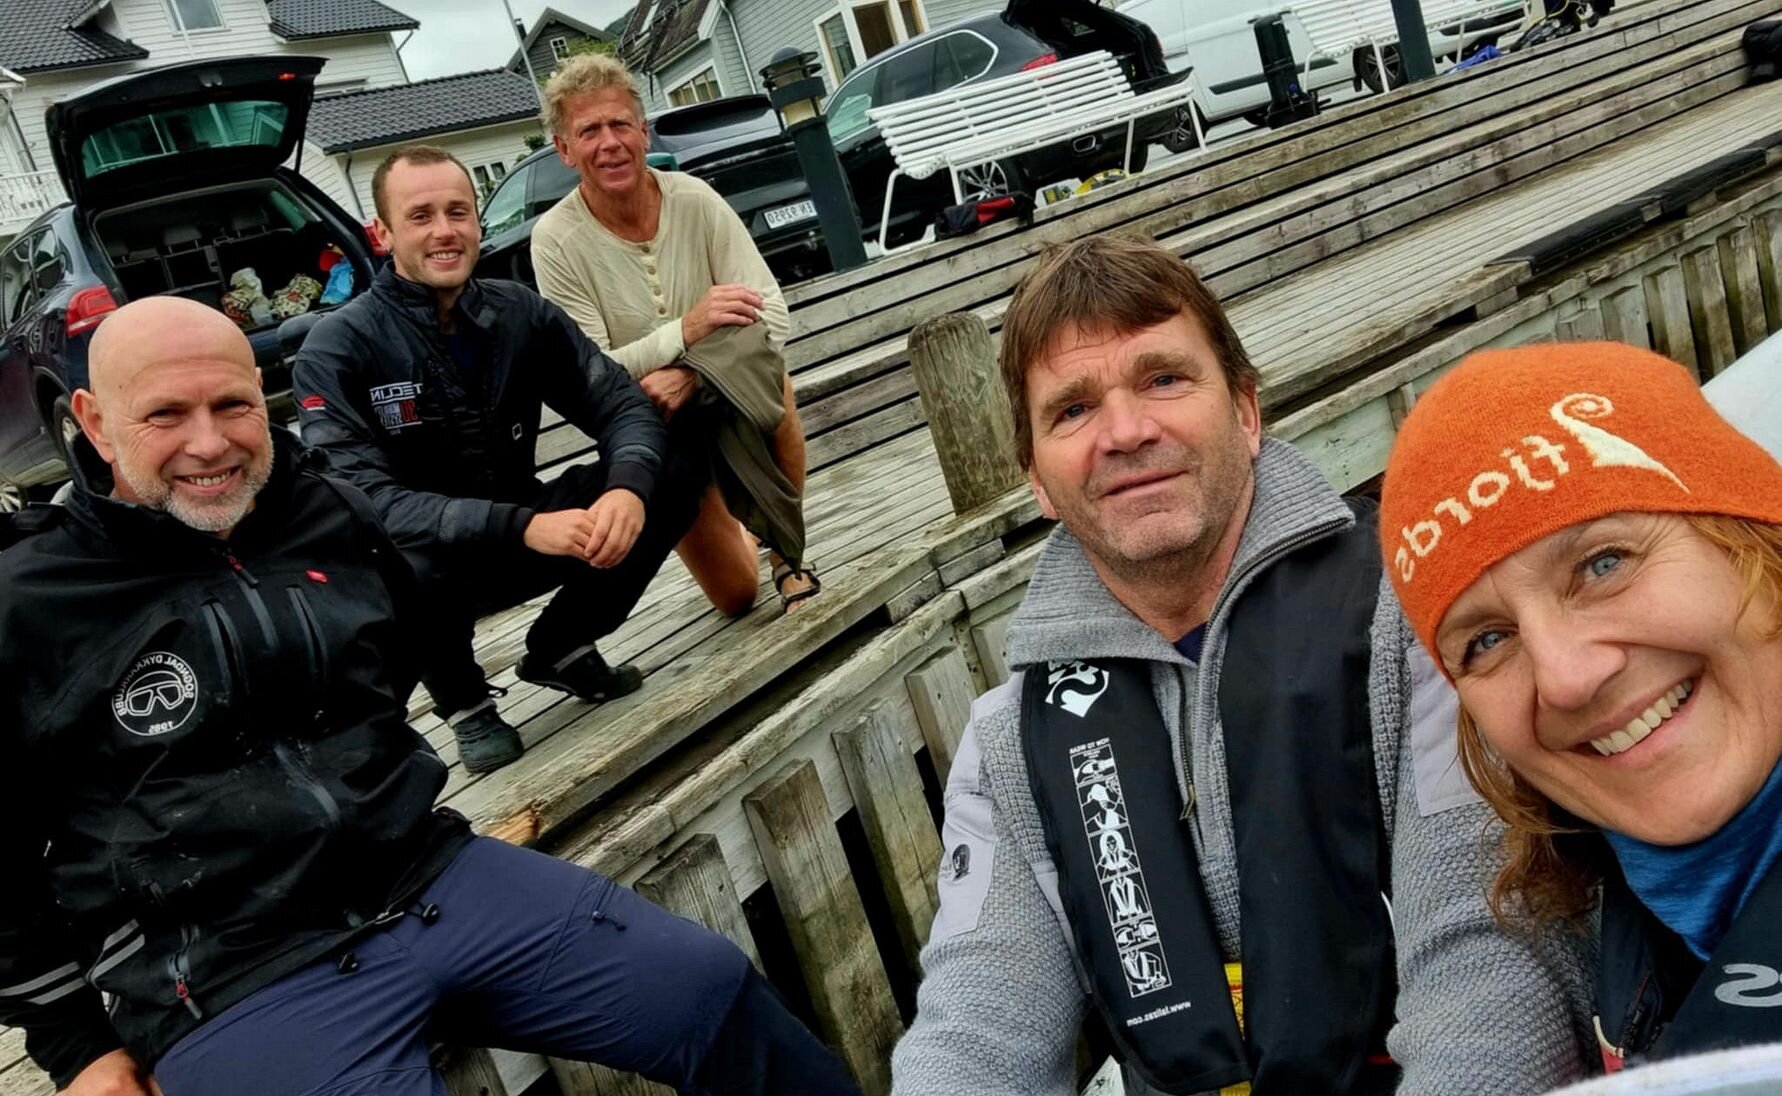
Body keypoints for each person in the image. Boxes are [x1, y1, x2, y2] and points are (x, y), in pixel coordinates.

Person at [0, 297, 862, 1096]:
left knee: (709, 991)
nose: (209, 442)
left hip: (430, 875)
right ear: (94, 423)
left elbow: (419, 642)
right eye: (164, 415)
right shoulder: (28, 598)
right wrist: (77, 1048)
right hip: (228, 975)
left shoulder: (328, 514)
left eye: (232, 405)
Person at [889, 235, 1596, 1095]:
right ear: (1036, 479)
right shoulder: (1009, 745)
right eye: (1072, 410)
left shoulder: (1424, 621)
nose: (1126, 432)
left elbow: (1490, 952)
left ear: (1248, 412)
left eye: (1164, 379)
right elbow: (975, 1026)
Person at [1377, 341, 1782, 1073]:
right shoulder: (1603, 905)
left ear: (1756, 537)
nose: (1566, 679)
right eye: (1488, 640)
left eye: (1604, 563)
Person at [293, 145, 706, 774]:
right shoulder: (337, 346)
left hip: (529, 533)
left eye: (457, 212)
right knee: (388, 555)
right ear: (382, 233)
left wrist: (625, 487)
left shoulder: (520, 312)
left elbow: (620, 405)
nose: (444, 231)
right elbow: (359, 498)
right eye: (421, 216)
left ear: (477, 222)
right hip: (430, 566)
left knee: (672, 462)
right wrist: (522, 525)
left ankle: (562, 645)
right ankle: (466, 704)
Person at [528, 54, 820, 617]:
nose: (610, 143)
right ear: (564, 150)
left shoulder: (694, 198)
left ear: (643, 131)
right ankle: (749, 525)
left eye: (620, 124)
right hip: (654, 426)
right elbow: (592, 374)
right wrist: (688, 327)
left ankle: (787, 555)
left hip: (730, 396)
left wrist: (693, 373)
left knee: (776, 383)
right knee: (736, 596)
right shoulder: (555, 240)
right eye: (589, 131)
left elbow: (773, 313)